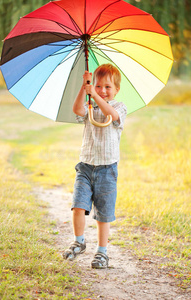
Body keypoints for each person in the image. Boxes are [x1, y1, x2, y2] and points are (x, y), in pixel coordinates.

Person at [62, 64, 127, 269]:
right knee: (78, 205)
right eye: (98, 86)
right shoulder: (90, 106)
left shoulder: (118, 107)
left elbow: (112, 116)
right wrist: (85, 87)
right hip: (86, 166)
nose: (102, 90)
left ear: (116, 90)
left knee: (103, 213)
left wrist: (95, 96)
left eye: (107, 87)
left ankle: (102, 252)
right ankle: (79, 241)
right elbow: (76, 110)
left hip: (107, 169)